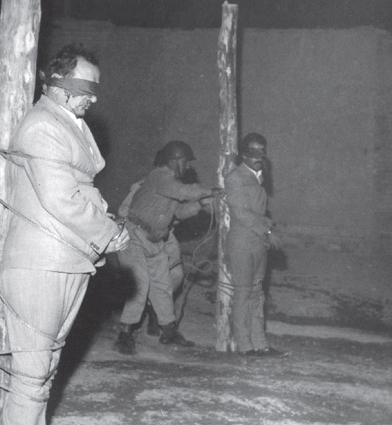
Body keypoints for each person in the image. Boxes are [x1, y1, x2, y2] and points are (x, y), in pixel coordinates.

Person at [0, 43, 129, 425]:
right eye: (85, 87)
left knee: (44, 371)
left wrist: (105, 224)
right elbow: (61, 200)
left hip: (67, 259)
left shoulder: (68, 124)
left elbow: (80, 189)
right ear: (58, 85)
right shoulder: (42, 127)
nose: (93, 97)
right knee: (32, 375)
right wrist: (108, 233)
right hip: (41, 263)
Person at [113, 141, 217, 355]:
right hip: (134, 236)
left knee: (162, 286)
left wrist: (200, 204)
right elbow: (183, 191)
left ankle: (168, 331)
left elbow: (178, 212)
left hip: (156, 239)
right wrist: (210, 191)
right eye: (186, 161)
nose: (188, 166)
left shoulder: (171, 184)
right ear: (175, 160)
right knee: (140, 285)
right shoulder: (159, 176)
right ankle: (124, 334)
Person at [224, 132, 284, 357]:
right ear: (243, 154)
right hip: (242, 244)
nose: (258, 156)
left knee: (257, 295)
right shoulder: (235, 177)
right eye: (252, 151)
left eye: (262, 151)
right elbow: (241, 213)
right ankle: (245, 347)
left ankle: (260, 344)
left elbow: (256, 212)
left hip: (258, 243)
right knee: (243, 294)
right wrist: (267, 230)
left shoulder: (258, 177)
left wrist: (267, 226)